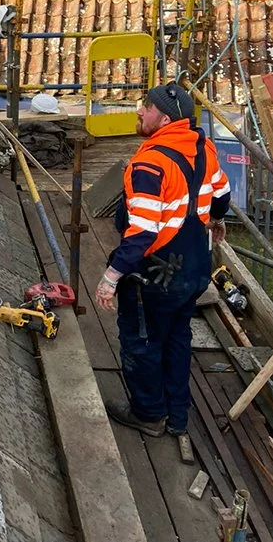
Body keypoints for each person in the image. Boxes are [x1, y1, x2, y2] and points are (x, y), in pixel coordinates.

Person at [95, 83, 231, 438]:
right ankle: (178, 415)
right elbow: (222, 194)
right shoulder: (203, 147)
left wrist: (111, 277)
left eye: (148, 107)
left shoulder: (150, 164)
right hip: (194, 267)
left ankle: (149, 414)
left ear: (166, 119)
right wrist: (216, 219)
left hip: (155, 274)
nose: (140, 111)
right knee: (176, 336)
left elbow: (142, 232)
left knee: (142, 341)